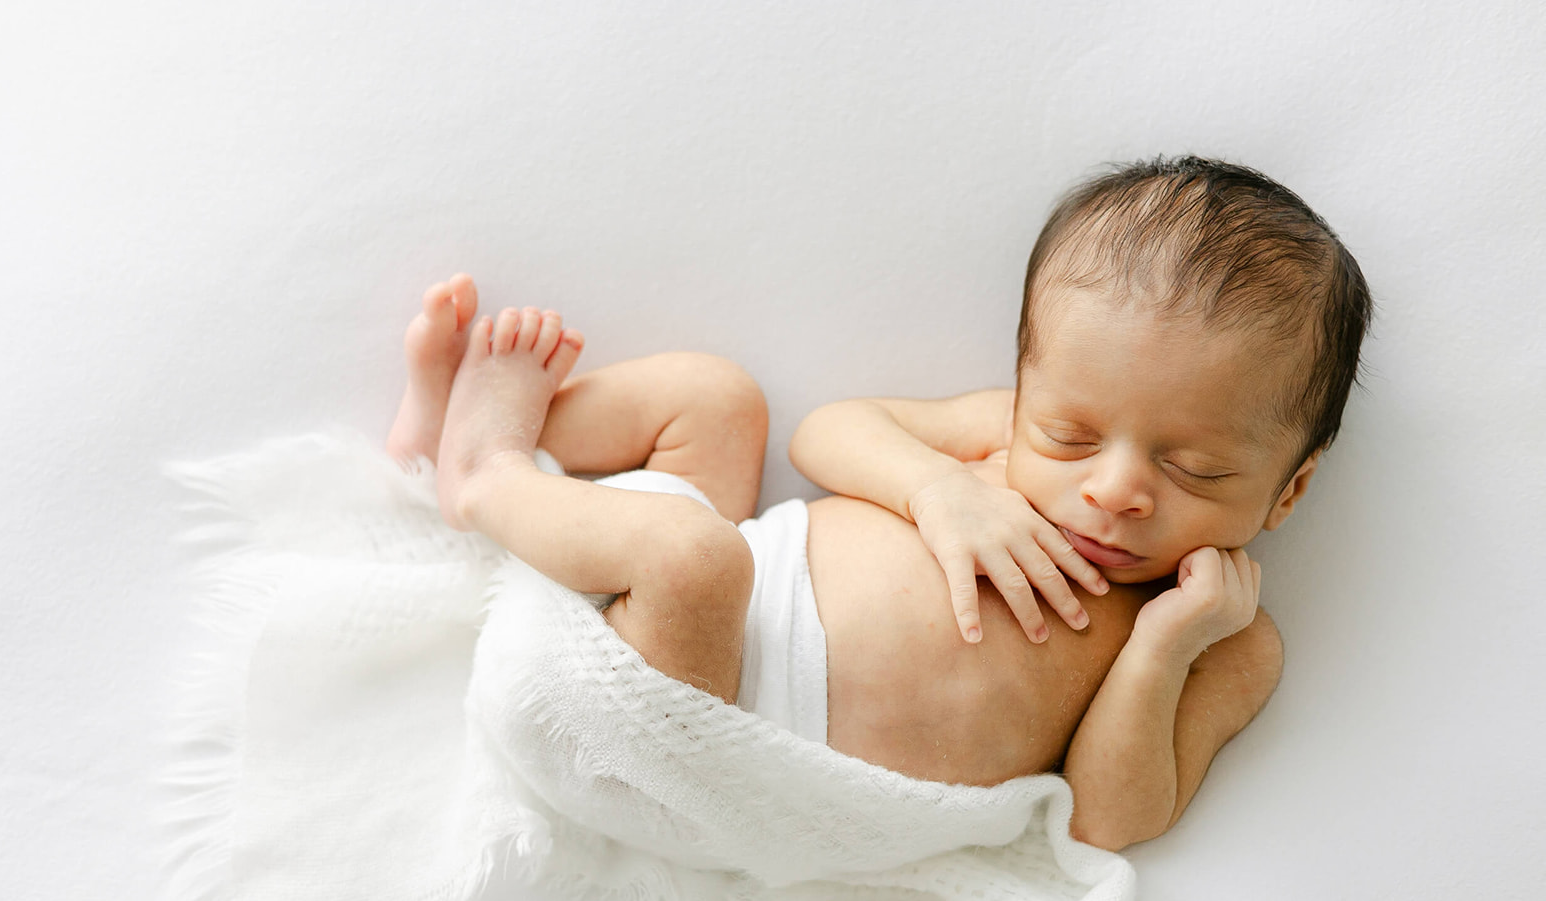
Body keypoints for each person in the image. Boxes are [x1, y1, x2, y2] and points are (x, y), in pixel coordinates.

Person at [384, 155, 1372, 852]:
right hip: (676, 597)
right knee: (718, 399)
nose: (1111, 487)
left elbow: (1107, 820)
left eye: (1194, 467)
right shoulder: (994, 433)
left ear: (1288, 487)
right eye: (1068, 434)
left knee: (694, 558)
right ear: (1030, 385)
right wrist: (937, 488)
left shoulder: (1230, 644)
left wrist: (1162, 644)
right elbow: (827, 433)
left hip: (698, 737)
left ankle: (491, 481)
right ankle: (460, 455)